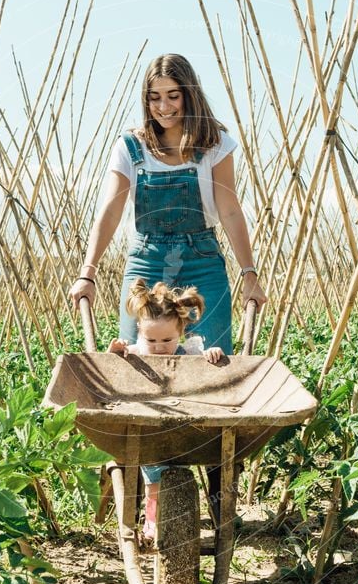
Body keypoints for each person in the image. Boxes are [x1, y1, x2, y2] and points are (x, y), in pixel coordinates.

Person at [69, 53, 267, 520]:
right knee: (139, 368)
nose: (163, 107)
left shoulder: (214, 144)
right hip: (146, 258)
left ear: (189, 94)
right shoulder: (131, 148)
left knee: (214, 372)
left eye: (173, 96)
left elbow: (231, 209)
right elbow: (111, 209)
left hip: (202, 258)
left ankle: (221, 493)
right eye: (155, 98)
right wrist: (88, 269)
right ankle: (151, 495)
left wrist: (250, 273)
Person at [107, 278, 223, 545]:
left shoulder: (189, 352)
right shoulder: (135, 352)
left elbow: (206, 364)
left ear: (181, 330)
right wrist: (114, 353)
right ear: (139, 332)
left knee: (177, 474)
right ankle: (150, 521)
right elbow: (109, 372)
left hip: (187, 427)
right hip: (149, 430)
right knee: (154, 484)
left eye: (167, 339)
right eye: (152, 339)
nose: (159, 346)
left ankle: (196, 517)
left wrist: (213, 353)